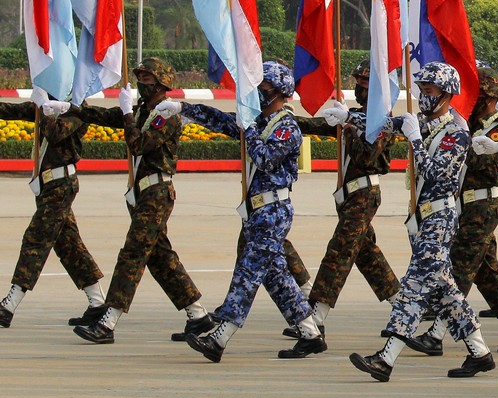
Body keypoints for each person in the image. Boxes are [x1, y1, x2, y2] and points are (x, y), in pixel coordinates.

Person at [349, 62, 494, 381]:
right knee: (446, 290)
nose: (422, 96)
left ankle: (386, 358)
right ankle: (479, 352)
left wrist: (414, 138)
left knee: (413, 285)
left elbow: (437, 174)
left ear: (446, 94)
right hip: (421, 216)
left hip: (440, 218)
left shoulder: (456, 133)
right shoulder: (425, 123)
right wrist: (346, 116)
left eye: (428, 92)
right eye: (421, 91)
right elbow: (383, 124)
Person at [172, 61, 324, 361]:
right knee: (276, 277)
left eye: (264, 89)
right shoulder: (259, 122)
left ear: (280, 92)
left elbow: (265, 158)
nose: (258, 94)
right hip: (256, 211)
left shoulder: (287, 127)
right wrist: (184, 109)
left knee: (248, 272)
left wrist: (248, 127)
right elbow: (222, 120)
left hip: (273, 210)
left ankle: (219, 337)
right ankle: (310, 334)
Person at [73, 58, 210, 344]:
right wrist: (72, 109)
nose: (140, 84)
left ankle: (107, 323)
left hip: (157, 193)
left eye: (146, 79)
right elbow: (105, 117)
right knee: (160, 258)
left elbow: (139, 145)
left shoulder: (165, 114)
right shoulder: (142, 111)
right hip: (142, 194)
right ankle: (198, 316)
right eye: (140, 78)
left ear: (161, 85)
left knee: (132, 254)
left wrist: (125, 114)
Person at [407, 67, 498, 355]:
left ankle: (437, 334)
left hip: (483, 204)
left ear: (489, 98)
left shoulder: (497, 127)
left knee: (460, 266)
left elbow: (486, 165)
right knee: (486, 270)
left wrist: (476, 147)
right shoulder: (467, 125)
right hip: (467, 204)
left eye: (478, 96)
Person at [290, 60, 402, 346]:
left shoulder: (382, 121)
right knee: (368, 256)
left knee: (338, 252)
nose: (359, 87)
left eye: (365, 83)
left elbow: (367, 157)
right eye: (358, 82)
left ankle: (315, 318)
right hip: (348, 197)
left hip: (364, 194)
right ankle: (404, 310)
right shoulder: (353, 116)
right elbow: (318, 126)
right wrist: (288, 119)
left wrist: (349, 125)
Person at [0, 93, 105, 329]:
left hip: (62, 184)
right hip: (47, 186)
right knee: (69, 246)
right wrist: (40, 103)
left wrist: (45, 109)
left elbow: (56, 133)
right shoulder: (45, 101)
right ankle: (98, 303)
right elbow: (10, 110)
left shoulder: (78, 108)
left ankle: (8, 305)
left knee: (35, 239)